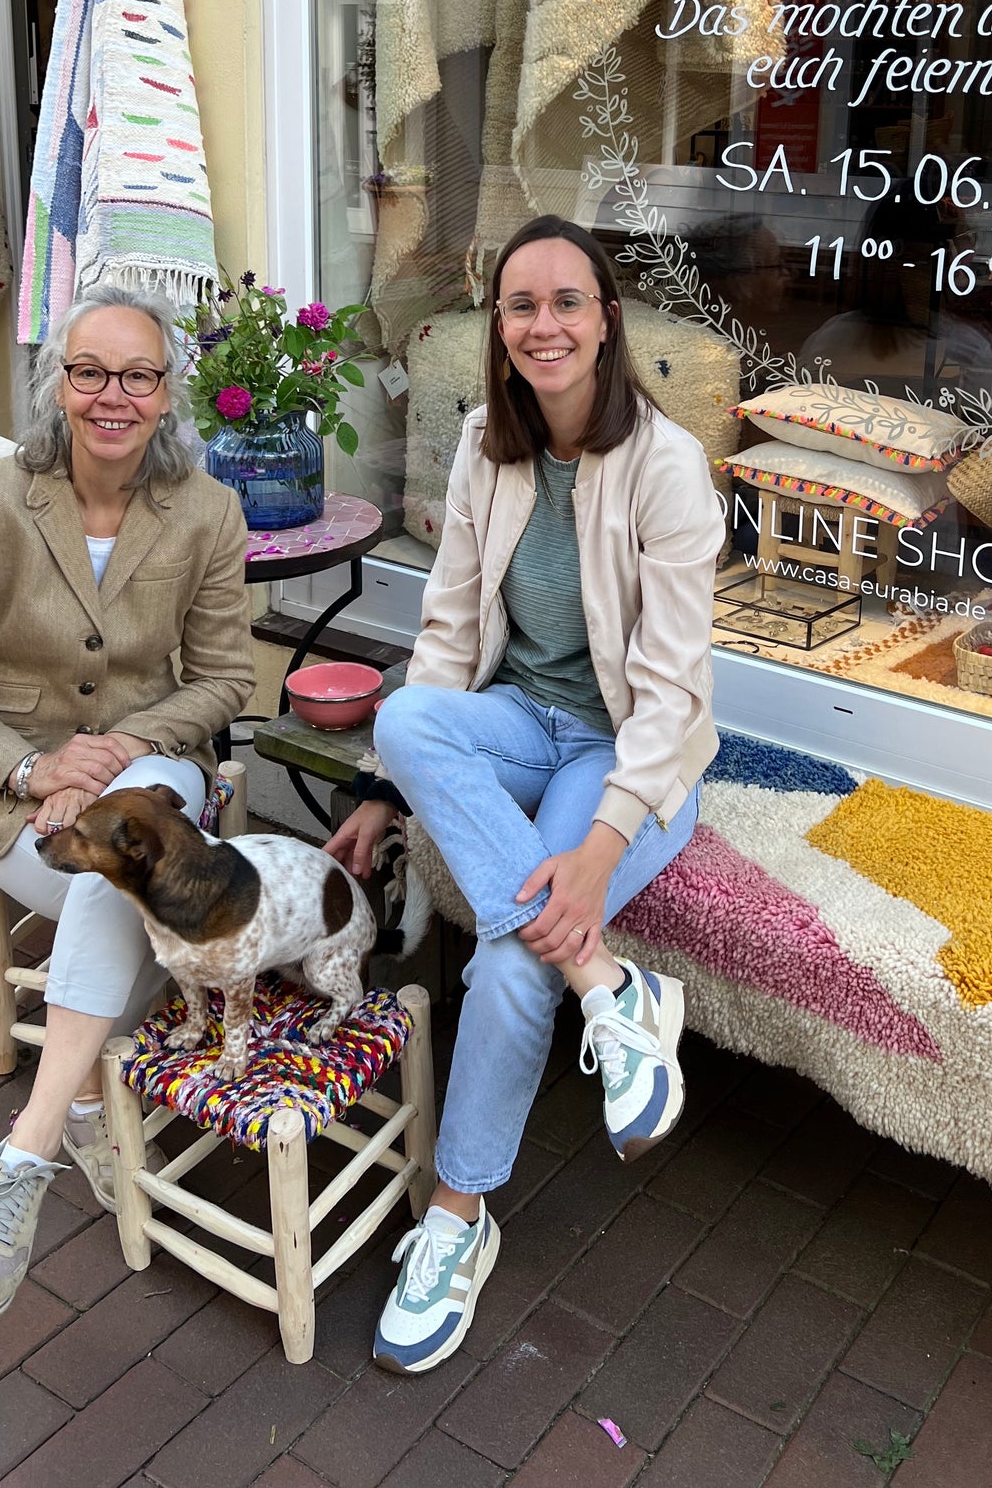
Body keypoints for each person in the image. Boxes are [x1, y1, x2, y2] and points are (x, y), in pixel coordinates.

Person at [327, 215, 724, 1374]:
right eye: (520, 307)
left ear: (606, 319)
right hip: (518, 726)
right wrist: (390, 791)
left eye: (566, 303)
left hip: (625, 757)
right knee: (401, 713)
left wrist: (597, 854)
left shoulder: (665, 465)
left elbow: (669, 694)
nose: (542, 325)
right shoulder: (481, 449)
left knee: (508, 957)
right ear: (497, 332)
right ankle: (611, 986)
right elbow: (448, 636)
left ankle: (456, 1217)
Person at [0, 285, 253, 1321]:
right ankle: (84, 1102)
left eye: (138, 375)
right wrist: (30, 769)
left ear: (169, 393)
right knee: (117, 883)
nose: (112, 396)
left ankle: (23, 1160)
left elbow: (224, 679)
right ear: (57, 383)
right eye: (90, 371)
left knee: (131, 843)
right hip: (18, 800)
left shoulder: (208, 512)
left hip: (155, 775)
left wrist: (127, 743)